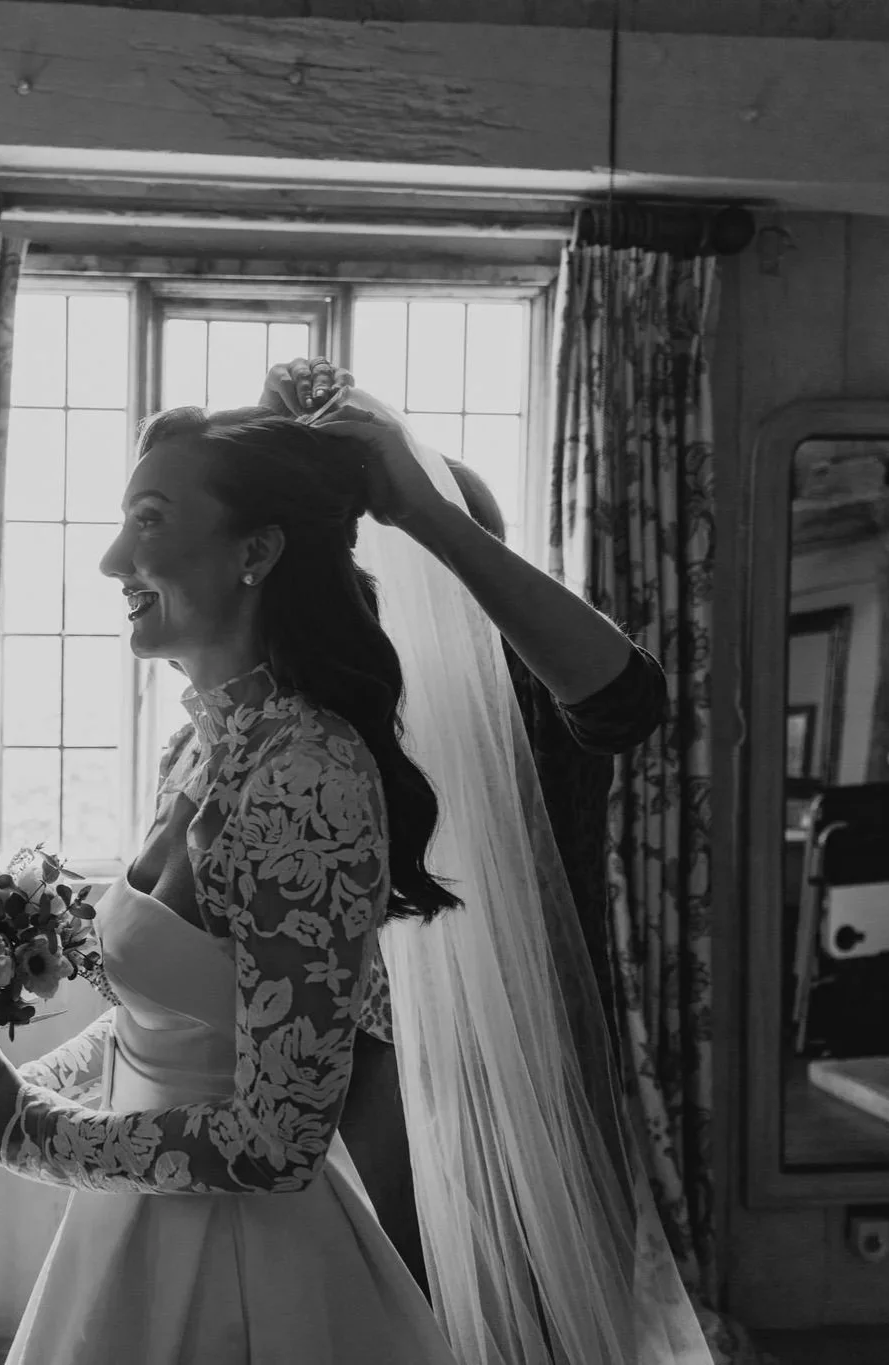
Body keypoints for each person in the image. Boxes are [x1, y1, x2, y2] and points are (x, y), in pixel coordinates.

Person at [0, 404, 465, 1364]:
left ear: (257, 550)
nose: (114, 560)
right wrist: (9, 1092)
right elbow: (181, 1018)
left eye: (148, 519)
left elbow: (281, 1138)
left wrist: (26, 1130)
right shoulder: (196, 748)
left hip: (248, 1277)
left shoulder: (309, 773)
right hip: (134, 1240)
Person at [255, 357, 670, 1293]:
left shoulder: (526, 688)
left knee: (519, 1301)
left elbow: (626, 704)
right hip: (356, 1057)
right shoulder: (308, 697)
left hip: (519, 1055)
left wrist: (424, 512)